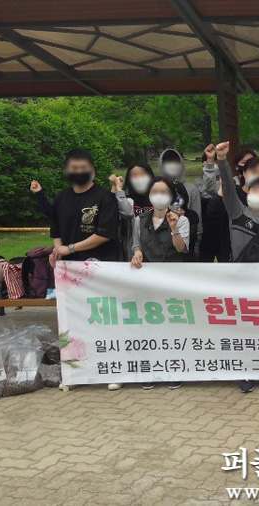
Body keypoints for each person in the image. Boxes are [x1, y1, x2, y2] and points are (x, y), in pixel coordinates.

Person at [213, 141, 259, 393]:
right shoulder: (237, 212)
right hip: (241, 282)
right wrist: (222, 160)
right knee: (244, 329)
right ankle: (246, 372)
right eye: (256, 190)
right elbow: (228, 187)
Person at [49, 149, 120, 391]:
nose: (78, 172)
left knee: (103, 319)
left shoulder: (104, 197)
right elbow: (56, 231)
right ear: (67, 171)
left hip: (100, 269)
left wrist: (70, 248)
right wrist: (58, 251)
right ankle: (74, 373)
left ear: (93, 171)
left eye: (83, 168)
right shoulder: (60, 198)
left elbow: (105, 234)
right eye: (74, 168)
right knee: (73, 321)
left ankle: (111, 369)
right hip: (69, 273)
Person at [128, 176, 190, 391]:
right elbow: (135, 243)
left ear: (171, 196)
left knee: (172, 326)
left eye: (164, 192)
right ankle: (150, 369)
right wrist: (137, 252)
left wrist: (174, 228)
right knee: (149, 326)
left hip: (172, 281)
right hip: (147, 281)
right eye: (155, 191)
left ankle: (174, 369)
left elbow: (182, 248)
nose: (159, 196)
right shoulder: (139, 219)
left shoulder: (181, 220)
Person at [199, 149, 256, 262]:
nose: (249, 166)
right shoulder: (231, 184)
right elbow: (211, 187)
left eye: (253, 163)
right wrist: (210, 162)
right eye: (245, 163)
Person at [158, 148, 202, 251]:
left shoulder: (191, 189)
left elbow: (197, 217)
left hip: (186, 241)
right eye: (168, 162)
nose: (172, 165)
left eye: (175, 162)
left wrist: (197, 245)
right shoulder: (157, 187)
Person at [110, 163, 156, 260]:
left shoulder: (158, 198)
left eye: (143, 174)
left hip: (157, 252)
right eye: (134, 175)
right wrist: (118, 188)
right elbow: (126, 213)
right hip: (134, 253)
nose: (139, 178)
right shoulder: (128, 201)